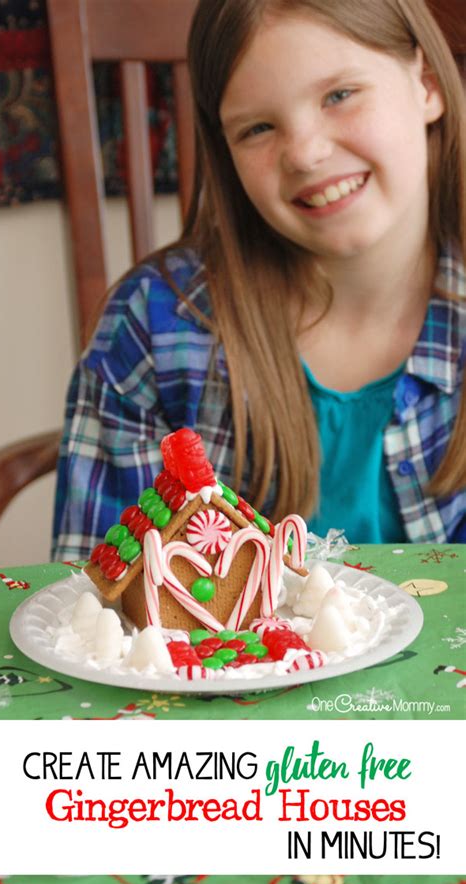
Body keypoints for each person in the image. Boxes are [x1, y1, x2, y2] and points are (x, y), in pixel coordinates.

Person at [52, 0, 466, 560]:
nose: (306, 153)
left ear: (428, 85)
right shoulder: (151, 328)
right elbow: (96, 614)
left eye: (339, 95)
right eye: (258, 128)